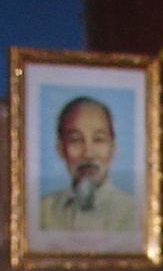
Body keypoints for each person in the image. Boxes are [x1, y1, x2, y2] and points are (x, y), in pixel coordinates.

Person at [38, 95, 138, 234]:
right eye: (76, 140)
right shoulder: (41, 212)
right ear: (60, 149)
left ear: (113, 148)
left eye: (98, 139)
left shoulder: (134, 213)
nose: (88, 153)